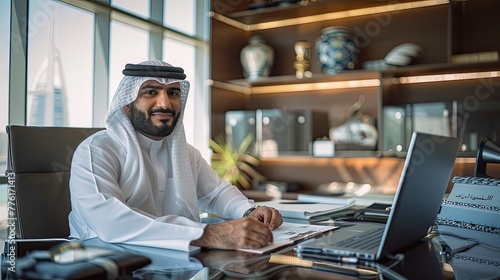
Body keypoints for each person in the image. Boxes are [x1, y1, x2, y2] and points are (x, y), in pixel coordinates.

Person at [68, 60, 283, 252]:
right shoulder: (97, 150)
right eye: (151, 92)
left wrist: (249, 211)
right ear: (126, 104)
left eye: (172, 93)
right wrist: (211, 234)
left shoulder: (185, 153)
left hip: (172, 258)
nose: (165, 104)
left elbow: (216, 194)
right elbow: (110, 223)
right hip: (104, 260)